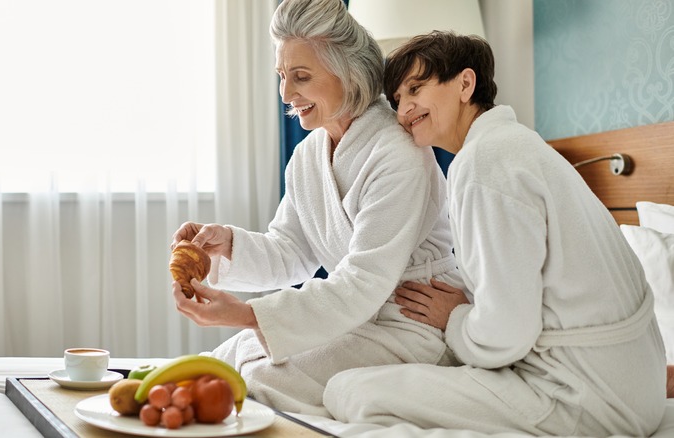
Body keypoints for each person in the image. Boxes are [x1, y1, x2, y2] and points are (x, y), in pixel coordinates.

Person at [323, 31, 666, 436]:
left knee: (347, 391)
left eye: (416, 88)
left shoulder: (485, 164)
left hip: (585, 397)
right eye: (397, 100)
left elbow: (504, 338)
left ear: (466, 84)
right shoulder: (515, 146)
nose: (403, 109)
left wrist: (455, 318)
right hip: (635, 386)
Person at [170, 0, 465, 416]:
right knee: (215, 365)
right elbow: (291, 250)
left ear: (349, 73)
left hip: (410, 321)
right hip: (349, 317)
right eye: (282, 77)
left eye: (301, 77)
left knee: (254, 383)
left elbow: (363, 282)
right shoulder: (308, 155)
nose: (286, 94)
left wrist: (248, 313)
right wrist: (226, 245)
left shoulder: (397, 153)